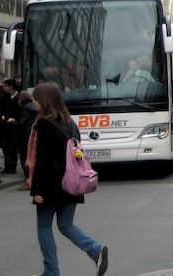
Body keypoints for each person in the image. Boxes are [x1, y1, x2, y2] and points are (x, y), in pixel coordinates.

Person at [29, 82, 108, 276]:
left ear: (44, 100)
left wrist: (37, 190)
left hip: (51, 185)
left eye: (36, 98)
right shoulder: (70, 122)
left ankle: (51, 271)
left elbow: (43, 161)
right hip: (72, 182)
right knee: (66, 225)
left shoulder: (44, 124)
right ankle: (95, 249)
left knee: (44, 227)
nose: (34, 102)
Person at [0, 78, 23, 174]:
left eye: (5, 86)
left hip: (15, 126)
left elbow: (21, 112)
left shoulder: (19, 97)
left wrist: (16, 120)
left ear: (11, 87)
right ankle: (7, 166)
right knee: (5, 146)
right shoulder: (5, 98)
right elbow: (2, 110)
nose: (4, 88)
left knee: (13, 146)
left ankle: (12, 166)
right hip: (6, 125)